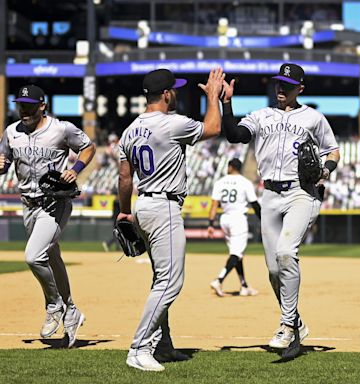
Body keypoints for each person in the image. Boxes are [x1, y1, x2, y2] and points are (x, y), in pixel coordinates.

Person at [221, 63, 340, 349]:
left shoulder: (313, 118)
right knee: (274, 271)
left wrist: (325, 171)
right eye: (278, 83)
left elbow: (332, 151)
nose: (280, 88)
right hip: (270, 195)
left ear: (300, 88)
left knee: (286, 253)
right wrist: (226, 102)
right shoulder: (260, 116)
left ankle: (286, 326)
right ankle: (296, 322)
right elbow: (234, 135)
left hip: (301, 192)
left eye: (287, 84)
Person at [118, 67, 224, 371]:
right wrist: (213, 97)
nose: (175, 93)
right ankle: (138, 348)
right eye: (173, 89)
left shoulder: (130, 130)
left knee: (159, 278)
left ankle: (162, 346)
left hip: (142, 205)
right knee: (170, 282)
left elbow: (125, 178)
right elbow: (213, 128)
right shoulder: (172, 123)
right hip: (164, 206)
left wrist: (125, 211)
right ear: (166, 94)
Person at [0, 85, 95, 347]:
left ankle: (54, 305)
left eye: (29, 104)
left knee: (33, 256)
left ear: (42, 105)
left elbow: (88, 147)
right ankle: (72, 310)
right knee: (52, 257)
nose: (24, 109)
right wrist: (1, 165)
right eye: (21, 104)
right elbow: (4, 160)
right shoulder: (11, 132)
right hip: (28, 205)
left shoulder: (61, 129)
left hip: (55, 203)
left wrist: (76, 168)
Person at [208, 158, 261, 297]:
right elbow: (255, 205)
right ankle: (219, 280)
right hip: (238, 219)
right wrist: (264, 220)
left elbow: (214, 205)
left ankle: (244, 286)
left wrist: (210, 224)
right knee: (236, 253)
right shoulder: (245, 182)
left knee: (237, 253)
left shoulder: (220, 182)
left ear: (231, 167)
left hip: (224, 219)